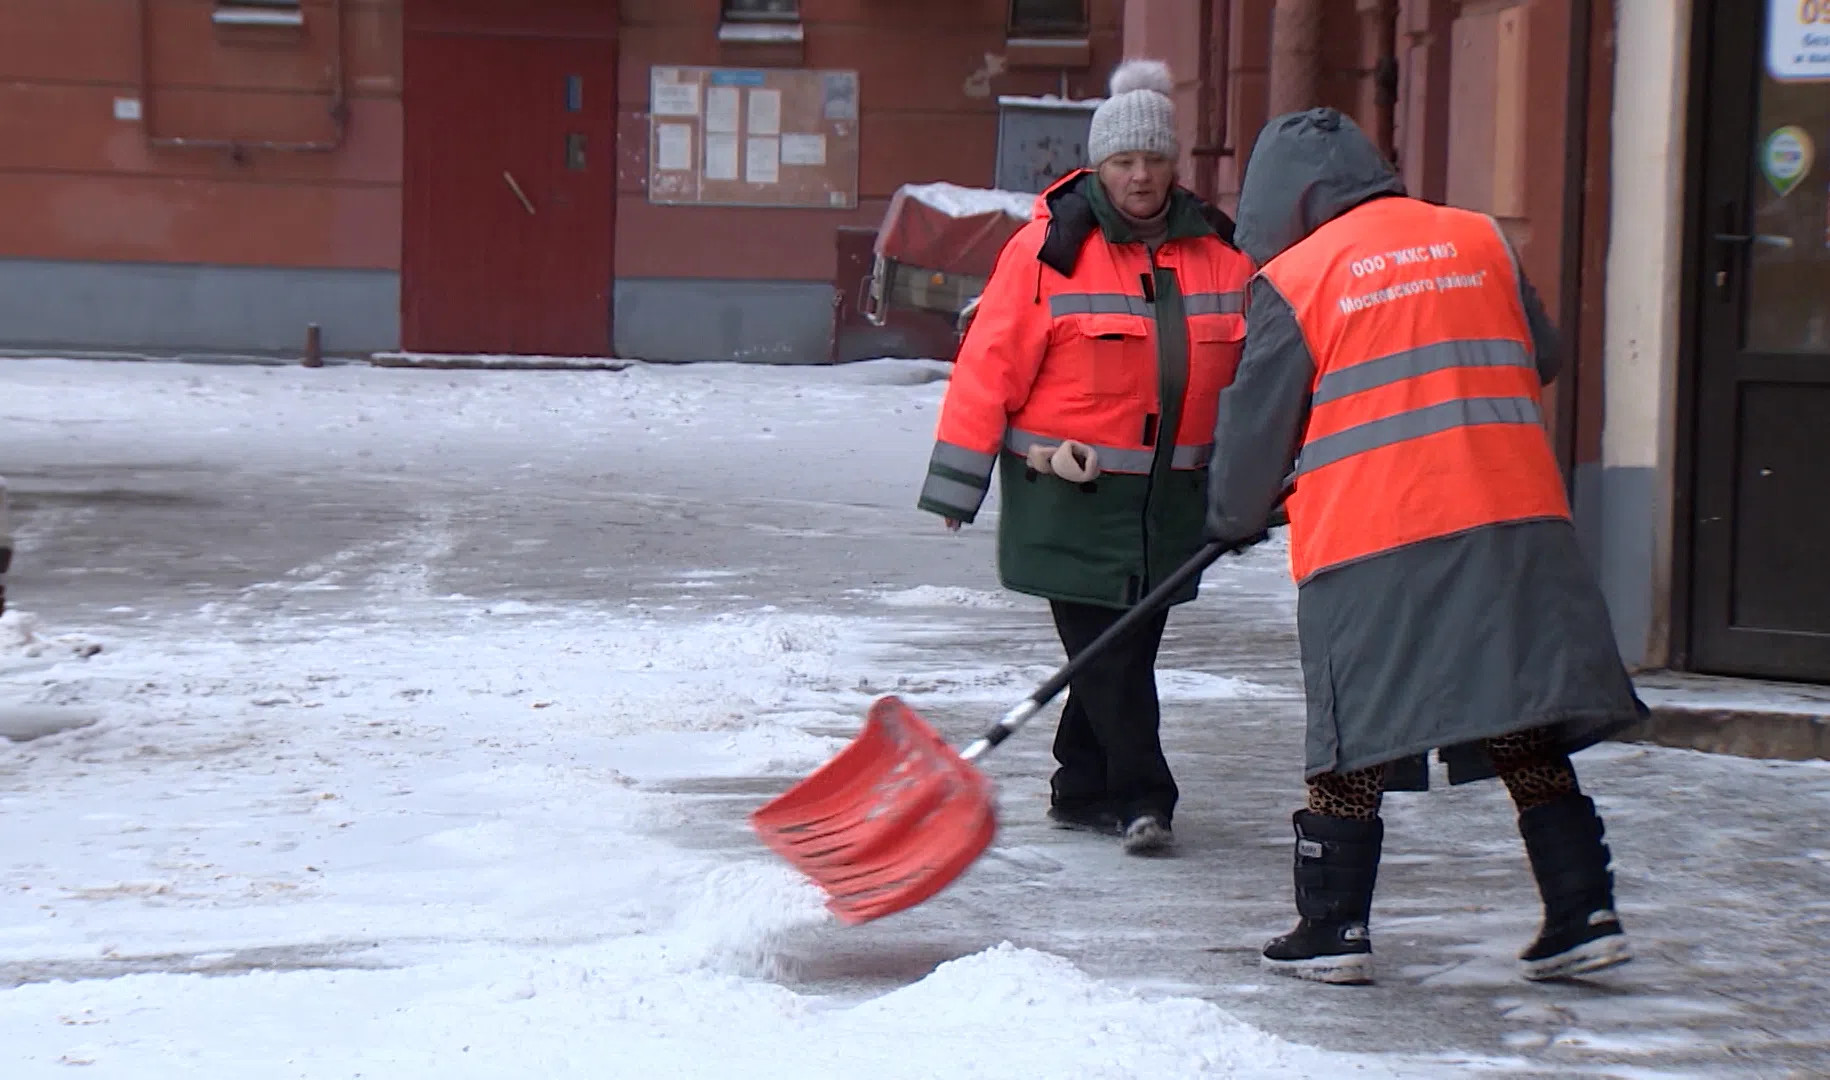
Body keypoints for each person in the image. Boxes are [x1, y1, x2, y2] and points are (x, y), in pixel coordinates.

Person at [1204, 108, 1648, 984]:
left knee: (1354, 729)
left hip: (1380, 536)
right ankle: (1582, 909)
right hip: (1513, 519)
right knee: (1519, 712)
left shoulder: (1299, 277)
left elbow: (1256, 436)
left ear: (1277, 202)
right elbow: (1542, 354)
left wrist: (1231, 514)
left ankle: (1333, 929)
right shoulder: (1477, 237)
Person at [916, 59, 1256, 855]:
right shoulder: (1050, 251)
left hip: (1169, 505)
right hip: (1067, 496)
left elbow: (1258, 373)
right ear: (1098, 166)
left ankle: (1078, 785)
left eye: (1154, 160)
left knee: (1119, 649)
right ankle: (1145, 797)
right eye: (1123, 162)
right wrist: (956, 486)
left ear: (1176, 164)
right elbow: (988, 368)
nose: (1140, 177)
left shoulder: (1221, 253)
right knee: (1111, 659)